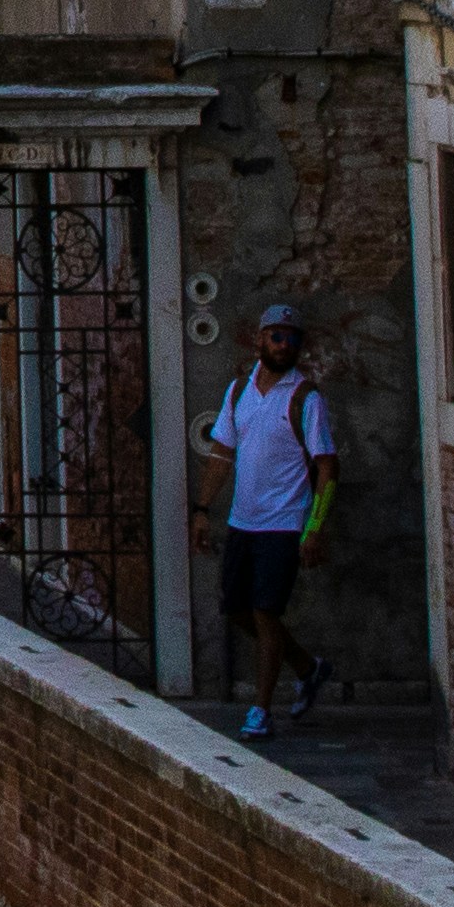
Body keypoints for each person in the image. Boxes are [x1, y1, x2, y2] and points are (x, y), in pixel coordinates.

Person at [201, 302, 338, 739]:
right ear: (259, 339)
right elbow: (222, 453)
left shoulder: (306, 399)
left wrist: (314, 527)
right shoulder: (238, 391)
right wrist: (202, 510)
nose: (284, 345)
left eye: (292, 338)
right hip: (243, 521)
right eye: (277, 336)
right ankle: (308, 668)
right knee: (237, 609)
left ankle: (260, 710)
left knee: (265, 611)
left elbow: (327, 466)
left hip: (284, 524)